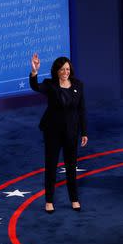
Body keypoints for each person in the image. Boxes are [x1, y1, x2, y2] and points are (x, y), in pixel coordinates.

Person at [29, 53, 88, 213]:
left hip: (71, 132)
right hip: (53, 132)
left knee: (71, 166)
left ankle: (74, 199)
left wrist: (84, 132)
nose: (65, 72)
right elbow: (35, 87)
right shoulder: (50, 85)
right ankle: (49, 201)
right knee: (51, 166)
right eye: (62, 69)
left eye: (67, 69)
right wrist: (34, 71)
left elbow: (81, 110)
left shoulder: (78, 85)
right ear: (56, 71)